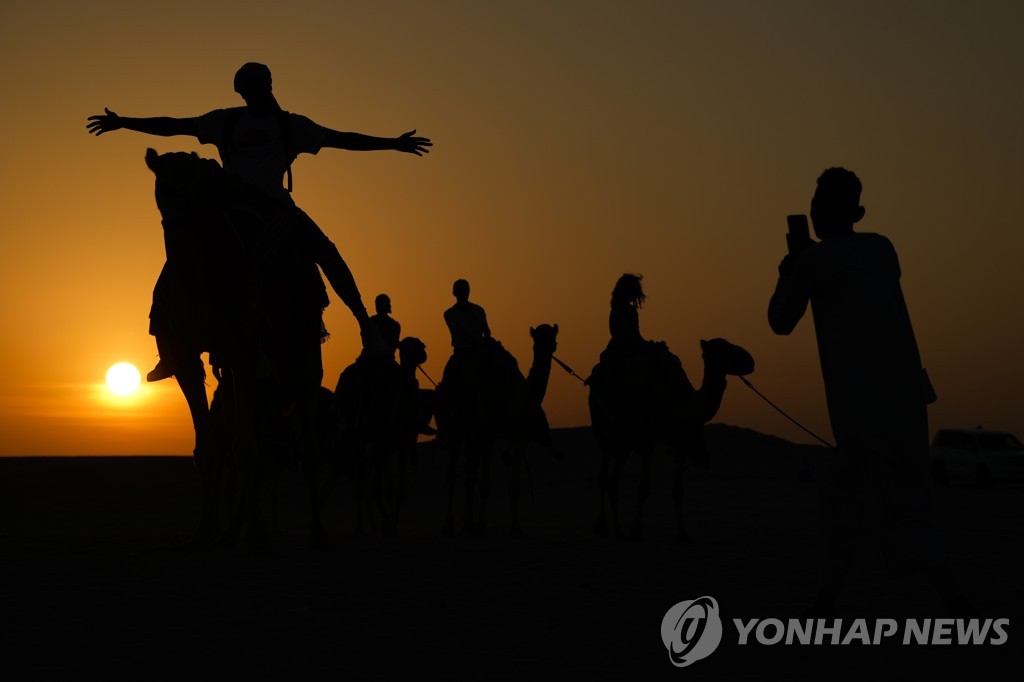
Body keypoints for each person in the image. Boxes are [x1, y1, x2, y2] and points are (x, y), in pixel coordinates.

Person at [87, 62, 431, 376]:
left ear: (268, 85)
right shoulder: (227, 121)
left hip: (276, 209)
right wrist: (123, 123)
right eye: (246, 88)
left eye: (257, 86)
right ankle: (170, 343)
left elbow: (341, 139)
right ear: (240, 92)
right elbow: (176, 126)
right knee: (179, 260)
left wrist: (392, 144)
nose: (252, 93)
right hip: (230, 207)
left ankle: (363, 322)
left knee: (325, 250)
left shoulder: (290, 125)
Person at [767, 167, 970, 617]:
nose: (817, 211)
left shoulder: (814, 262)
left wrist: (791, 267)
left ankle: (954, 603)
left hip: (863, 413)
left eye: (821, 203)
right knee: (885, 506)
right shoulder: (882, 248)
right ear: (857, 212)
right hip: (906, 404)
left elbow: (779, 321)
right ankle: (832, 599)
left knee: (860, 511)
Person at [370, 294, 402, 359]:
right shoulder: (371, 322)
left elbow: (394, 343)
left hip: (388, 358)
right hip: (371, 357)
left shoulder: (394, 325)